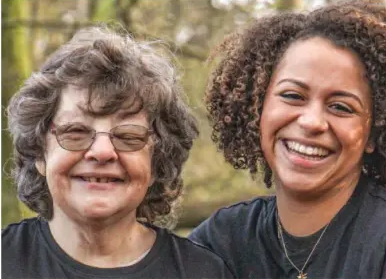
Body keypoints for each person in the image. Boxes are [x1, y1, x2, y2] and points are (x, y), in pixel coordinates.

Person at [189, 0, 386, 279]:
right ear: (258, 107)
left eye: (341, 107)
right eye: (293, 96)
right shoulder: (223, 239)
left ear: (373, 134)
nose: (311, 122)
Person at [2, 26, 233, 279]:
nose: (102, 152)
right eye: (76, 132)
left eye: (128, 137)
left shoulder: (203, 273)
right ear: (39, 154)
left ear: (158, 163)